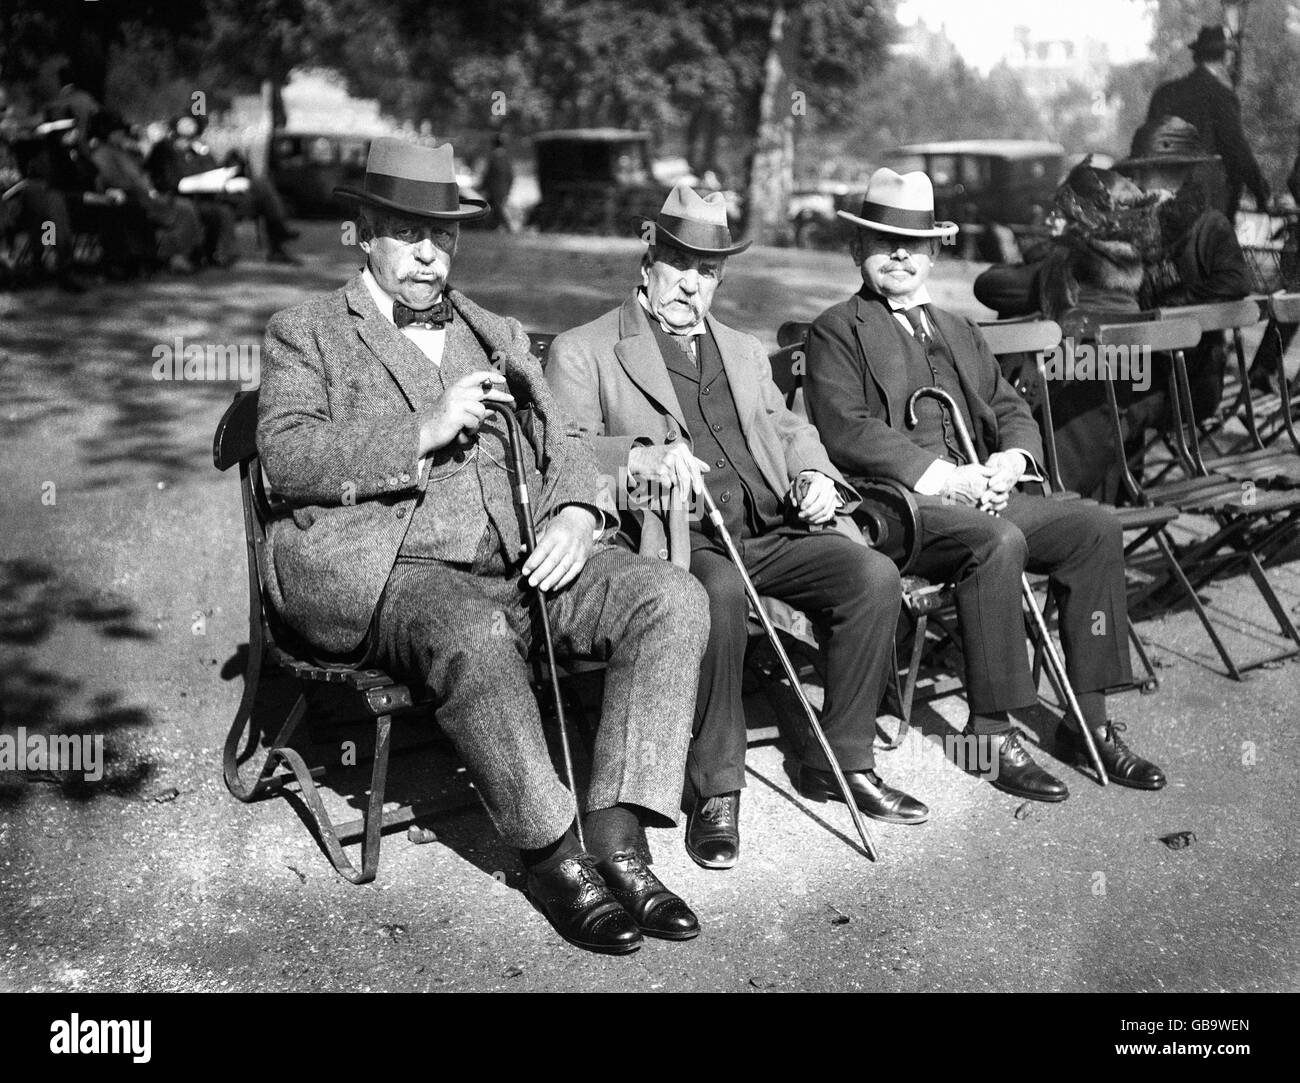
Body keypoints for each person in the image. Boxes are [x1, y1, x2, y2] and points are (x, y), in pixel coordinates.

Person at [256, 138, 710, 955]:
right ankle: (552, 854)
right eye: (408, 233)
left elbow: (567, 439)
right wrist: (421, 430)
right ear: (363, 232)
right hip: (396, 570)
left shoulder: (488, 326)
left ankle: (618, 838)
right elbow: (288, 460)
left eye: (446, 235)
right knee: (472, 635)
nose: (433, 254)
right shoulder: (306, 332)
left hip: (520, 556)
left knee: (671, 596)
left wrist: (575, 513)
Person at [548, 181, 914, 873]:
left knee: (872, 574)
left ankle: (841, 756)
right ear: (649, 258)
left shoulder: (743, 351)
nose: (693, 284)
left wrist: (811, 477)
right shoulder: (585, 349)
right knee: (715, 589)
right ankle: (717, 787)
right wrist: (638, 458)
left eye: (709, 271)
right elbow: (563, 457)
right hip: (681, 538)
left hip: (770, 528)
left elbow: (790, 426)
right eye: (681, 265)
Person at [804, 167, 1168, 803]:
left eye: (914, 244)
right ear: (858, 250)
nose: (899, 254)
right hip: (899, 513)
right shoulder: (837, 330)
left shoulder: (957, 328)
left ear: (935, 252)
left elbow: (1010, 410)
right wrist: (950, 478)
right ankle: (991, 735)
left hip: (981, 498)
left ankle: (1090, 720)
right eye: (884, 241)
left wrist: (1010, 463)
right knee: (996, 541)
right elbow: (847, 432)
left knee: (1095, 528)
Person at [1146, 25, 1269, 218]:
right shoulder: (1221, 96)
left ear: (1197, 56)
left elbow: (1146, 146)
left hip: (1161, 202)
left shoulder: (1164, 94)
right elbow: (1237, 150)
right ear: (1226, 58)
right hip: (1206, 208)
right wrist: (1261, 192)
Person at [480, 133, 514, 232]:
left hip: (494, 189)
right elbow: (511, 176)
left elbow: (488, 174)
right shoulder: (506, 158)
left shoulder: (494, 157)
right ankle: (491, 226)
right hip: (503, 189)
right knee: (493, 209)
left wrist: (483, 186)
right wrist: (508, 189)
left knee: (496, 209)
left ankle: (508, 227)